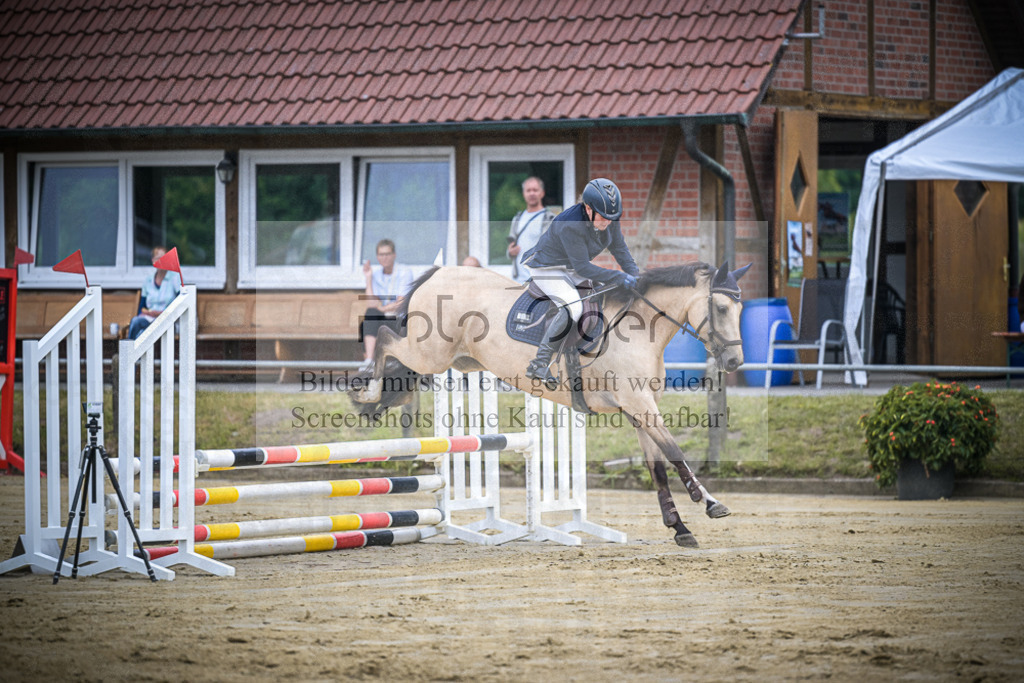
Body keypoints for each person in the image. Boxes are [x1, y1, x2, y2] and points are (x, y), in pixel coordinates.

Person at [520, 178, 640, 387]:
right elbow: (583, 267)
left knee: (599, 295)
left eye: (612, 218)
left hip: (570, 267)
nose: (607, 222)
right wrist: (619, 277)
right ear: (587, 208)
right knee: (573, 307)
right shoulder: (571, 224)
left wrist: (636, 275)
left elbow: (619, 249)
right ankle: (539, 362)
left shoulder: (609, 217)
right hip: (546, 267)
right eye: (603, 217)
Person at [360, 239, 414, 368]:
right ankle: (369, 362)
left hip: (400, 318)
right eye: (381, 255)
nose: (384, 258)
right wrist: (368, 278)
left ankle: (389, 365)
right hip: (383, 318)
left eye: (387, 254)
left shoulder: (404, 272)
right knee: (369, 316)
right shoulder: (376, 274)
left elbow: (400, 303)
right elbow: (371, 304)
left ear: (394, 255)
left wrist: (382, 309)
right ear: (377, 257)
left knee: (371, 319)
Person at [507, 176, 555, 283]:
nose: (531, 193)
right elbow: (510, 249)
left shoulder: (549, 219)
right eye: (528, 190)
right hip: (517, 280)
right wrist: (510, 251)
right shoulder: (517, 219)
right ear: (524, 193)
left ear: (542, 193)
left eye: (535, 190)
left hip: (539, 281)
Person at [127, 246, 181, 340]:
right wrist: (147, 312)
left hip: (167, 319)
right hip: (150, 318)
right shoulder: (148, 280)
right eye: (158, 258)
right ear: (153, 261)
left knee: (142, 333)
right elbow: (141, 307)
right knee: (136, 321)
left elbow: (181, 301)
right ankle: (128, 353)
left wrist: (163, 313)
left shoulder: (175, 277)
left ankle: (129, 354)